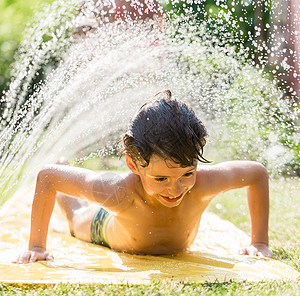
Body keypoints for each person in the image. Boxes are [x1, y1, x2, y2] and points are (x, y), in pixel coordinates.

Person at [14, 90, 273, 264]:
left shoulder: (205, 183)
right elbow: (48, 178)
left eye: (187, 173)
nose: (176, 188)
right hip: (102, 226)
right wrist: (36, 246)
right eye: (161, 179)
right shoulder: (118, 191)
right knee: (75, 215)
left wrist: (259, 242)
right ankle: (66, 166)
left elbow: (257, 173)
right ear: (133, 164)